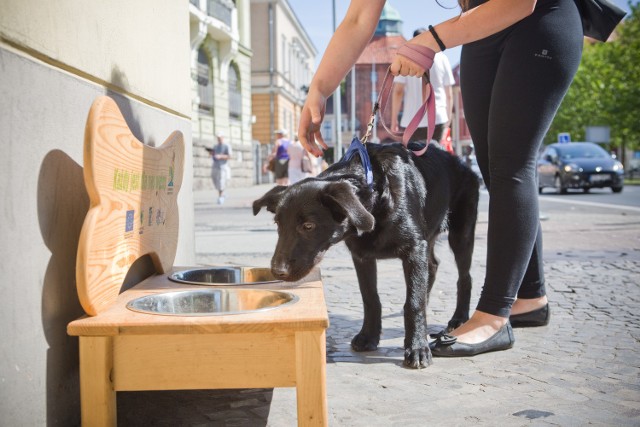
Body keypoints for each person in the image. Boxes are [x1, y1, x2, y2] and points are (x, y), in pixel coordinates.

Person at [298, 0, 583, 357]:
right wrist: (319, 89)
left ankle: (493, 316)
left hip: (536, 20)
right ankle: (529, 297)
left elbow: (519, 2)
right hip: (482, 28)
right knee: (495, 169)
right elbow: (358, 18)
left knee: (511, 166)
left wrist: (430, 40)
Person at [391, 28, 455, 147]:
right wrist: (448, 120)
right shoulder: (442, 58)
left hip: (411, 119)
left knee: (415, 160)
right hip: (438, 117)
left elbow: (398, 91)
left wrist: (394, 119)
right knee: (435, 157)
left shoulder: (407, 58)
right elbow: (449, 94)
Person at [209, 133, 231, 205]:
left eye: (220, 138)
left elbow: (229, 156)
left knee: (221, 181)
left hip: (222, 166)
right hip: (215, 166)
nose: (219, 139)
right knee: (214, 178)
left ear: (223, 138)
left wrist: (220, 156)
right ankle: (222, 193)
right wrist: (211, 153)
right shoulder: (215, 146)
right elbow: (213, 154)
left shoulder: (226, 146)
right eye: (218, 138)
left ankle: (220, 196)